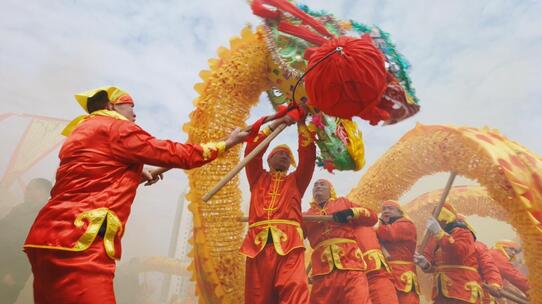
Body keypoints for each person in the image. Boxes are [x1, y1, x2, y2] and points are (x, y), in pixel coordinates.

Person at [23, 86, 249, 303]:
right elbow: (177, 154)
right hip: (82, 240)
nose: (135, 114)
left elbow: (94, 175)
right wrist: (226, 144)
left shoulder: (80, 133)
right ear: (112, 106)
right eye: (131, 106)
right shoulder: (116, 129)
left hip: (45, 238)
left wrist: (136, 173)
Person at [240, 110, 316, 304]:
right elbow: (251, 152)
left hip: (290, 244)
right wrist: (275, 125)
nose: (284, 156)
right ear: (268, 159)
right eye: (279, 153)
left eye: (287, 156)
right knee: (258, 298)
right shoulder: (257, 177)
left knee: (295, 292)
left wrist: (301, 124)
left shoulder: (297, 181)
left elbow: (307, 158)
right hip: (257, 246)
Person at [303, 179, 376, 304]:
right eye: (315, 185)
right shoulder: (306, 215)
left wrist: (351, 212)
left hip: (351, 267)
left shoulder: (343, 202)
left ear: (331, 190)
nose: (318, 187)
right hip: (322, 274)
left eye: (322, 184)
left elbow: (372, 217)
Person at [414, 204, 483, 303]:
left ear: (445, 217)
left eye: (437, 217)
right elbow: (439, 267)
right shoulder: (437, 238)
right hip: (442, 293)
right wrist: (426, 265)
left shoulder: (463, 232)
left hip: (462, 292)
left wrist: (439, 233)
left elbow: (457, 253)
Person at [0, 178, 52, 303]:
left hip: (11, 274)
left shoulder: (46, 216)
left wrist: (16, 275)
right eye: (27, 189)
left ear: (43, 192)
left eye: (31, 188)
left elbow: (38, 250)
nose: (27, 191)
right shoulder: (20, 208)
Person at [377, 200, 421, 304]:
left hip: (403, 274)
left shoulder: (406, 224)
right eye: (384, 209)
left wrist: (376, 226)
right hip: (388, 274)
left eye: (390, 208)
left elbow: (389, 234)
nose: (386, 211)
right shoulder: (385, 226)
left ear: (400, 212)